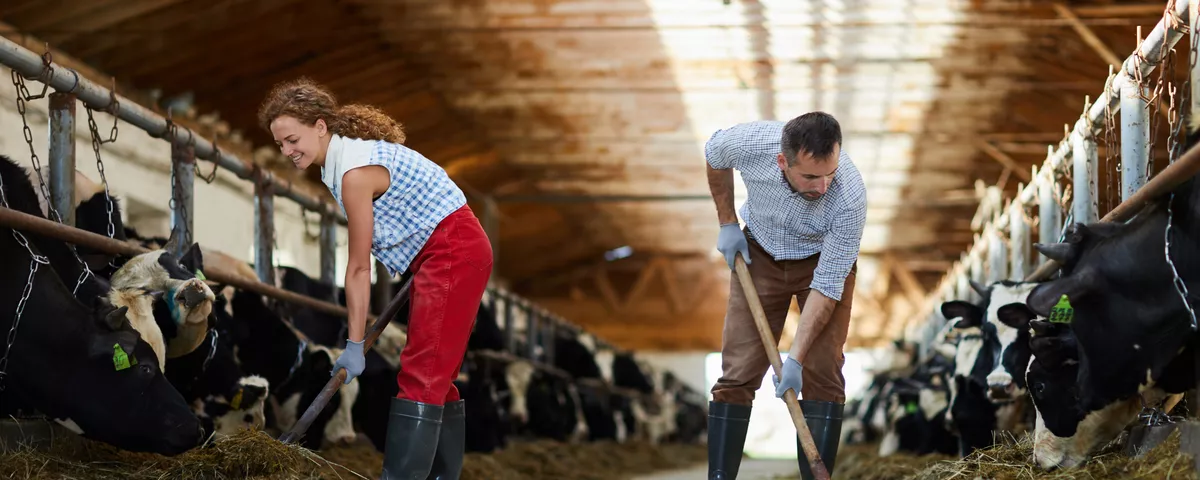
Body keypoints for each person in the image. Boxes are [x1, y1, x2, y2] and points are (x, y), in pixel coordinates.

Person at [257, 77, 493, 480]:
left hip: (452, 250)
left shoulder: (352, 174)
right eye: (280, 144)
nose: (287, 151)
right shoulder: (344, 163)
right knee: (437, 376)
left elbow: (360, 267)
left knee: (421, 374)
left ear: (320, 126)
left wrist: (353, 343)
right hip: (446, 251)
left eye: (293, 139)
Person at [704, 112, 866, 480]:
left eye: (830, 173)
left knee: (823, 371)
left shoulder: (850, 196)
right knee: (737, 372)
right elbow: (714, 155)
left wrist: (795, 359)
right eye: (810, 176)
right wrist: (728, 222)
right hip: (759, 255)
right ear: (782, 161)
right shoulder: (749, 142)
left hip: (820, 261)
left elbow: (827, 286)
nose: (823, 186)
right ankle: (719, 477)